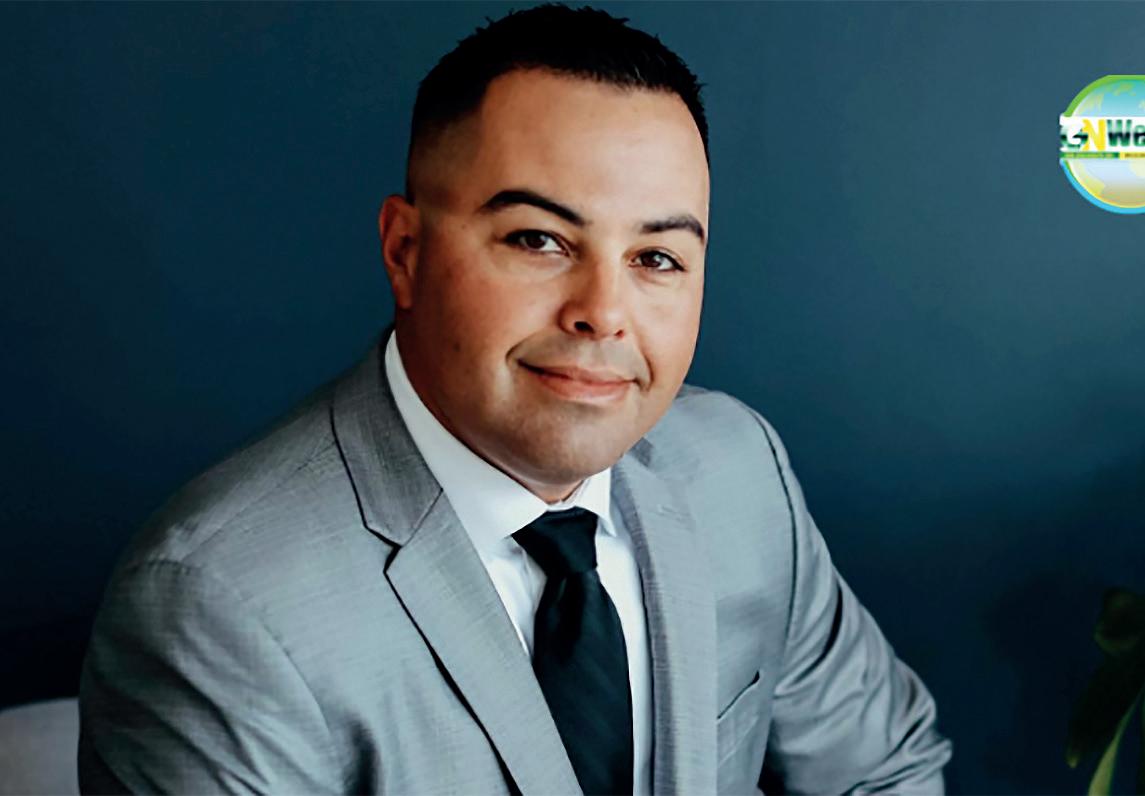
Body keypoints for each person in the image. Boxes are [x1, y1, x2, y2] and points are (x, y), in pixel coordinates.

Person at [77, 4, 952, 794]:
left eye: (655, 259)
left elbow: (882, 772)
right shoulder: (219, 605)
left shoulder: (737, 472)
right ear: (405, 252)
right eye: (538, 239)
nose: (602, 312)